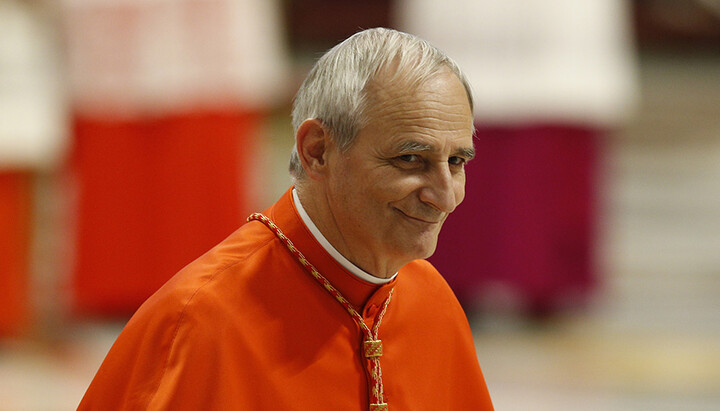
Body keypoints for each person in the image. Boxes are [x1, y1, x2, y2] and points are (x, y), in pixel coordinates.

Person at [79, 27, 494, 410]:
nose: (446, 197)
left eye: (456, 161)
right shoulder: (203, 322)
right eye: (409, 159)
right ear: (317, 150)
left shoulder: (433, 301)